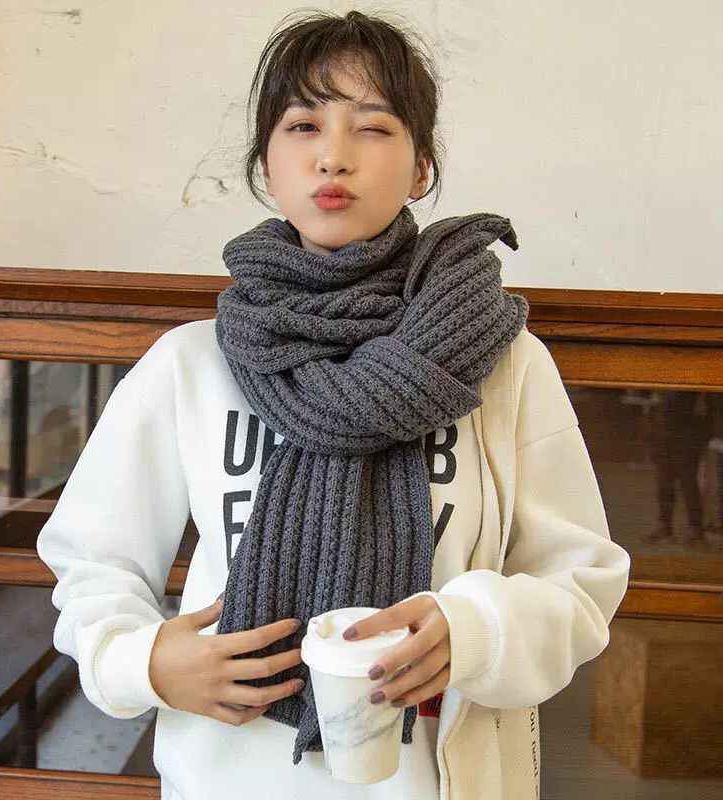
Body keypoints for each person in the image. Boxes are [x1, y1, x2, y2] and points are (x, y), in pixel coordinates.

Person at [36, 9, 631, 800]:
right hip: (228, 778)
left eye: (374, 128)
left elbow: (581, 581)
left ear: (421, 167)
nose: (334, 155)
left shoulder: (503, 361)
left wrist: (477, 632)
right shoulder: (193, 363)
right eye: (303, 125)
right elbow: (91, 561)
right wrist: (141, 661)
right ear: (267, 164)